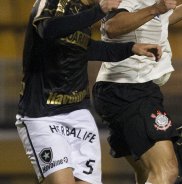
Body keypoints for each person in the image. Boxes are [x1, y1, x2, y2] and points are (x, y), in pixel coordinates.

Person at [15, 0, 162, 183]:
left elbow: (85, 48)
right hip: (42, 114)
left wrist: (130, 48)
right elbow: (48, 30)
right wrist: (98, 11)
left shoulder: (84, 11)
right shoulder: (53, 2)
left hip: (78, 113)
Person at [92, 0, 182, 183]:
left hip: (125, 88)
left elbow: (156, 19)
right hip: (129, 88)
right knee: (166, 170)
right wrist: (155, 8)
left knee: (148, 172)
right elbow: (111, 26)